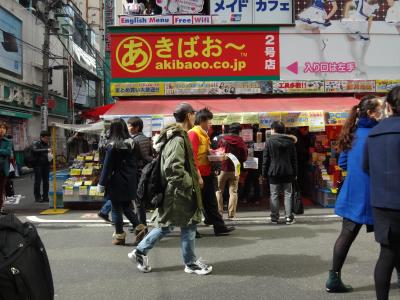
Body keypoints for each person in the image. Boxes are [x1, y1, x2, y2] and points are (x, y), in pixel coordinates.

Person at [128, 102, 212, 275]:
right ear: (189, 115)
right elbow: (173, 170)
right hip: (179, 193)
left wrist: (195, 176)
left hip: (176, 192)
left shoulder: (176, 136)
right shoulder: (178, 139)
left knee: (169, 225)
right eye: (194, 114)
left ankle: (140, 252)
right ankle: (190, 263)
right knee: (186, 225)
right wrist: (192, 182)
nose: (195, 117)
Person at [325, 95, 384, 293]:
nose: (384, 111)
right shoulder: (379, 133)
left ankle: (333, 278)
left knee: (346, 235)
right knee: (392, 238)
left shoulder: (353, 133)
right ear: (371, 112)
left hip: (354, 192)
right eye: (380, 108)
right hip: (378, 193)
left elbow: (342, 164)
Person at [364, 87, 400, 299]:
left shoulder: (374, 133)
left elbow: (365, 165)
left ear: (388, 106)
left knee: (386, 255)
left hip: (382, 204)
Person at [188, 108, 235, 236]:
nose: (211, 124)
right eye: (209, 121)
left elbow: (205, 153)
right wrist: (198, 176)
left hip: (207, 172)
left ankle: (219, 227)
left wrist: (216, 155)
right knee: (195, 203)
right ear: (202, 120)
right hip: (199, 174)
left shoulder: (204, 134)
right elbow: (192, 157)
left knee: (211, 201)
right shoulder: (194, 133)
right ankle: (192, 230)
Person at [98, 119, 141, 245]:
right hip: (130, 179)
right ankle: (139, 227)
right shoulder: (133, 143)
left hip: (116, 181)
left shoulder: (112, 145)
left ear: (113, 129)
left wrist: (101, 183)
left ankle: (120, 236)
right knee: (127, 207)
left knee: (116, 209)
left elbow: (107, 167)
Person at [262, 121, 297, 225]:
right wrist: (295, 173)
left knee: (274, 194)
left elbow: (265, 159)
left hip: (273, 171)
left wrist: (263, 174)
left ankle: (274, 218)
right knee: (288, 194)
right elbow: (294, 159)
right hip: (288, 171)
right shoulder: (290, 142)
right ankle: (288, 217)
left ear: (273, 130)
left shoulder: (269, 141)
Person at [216, 123, 248, 219]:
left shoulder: (223, 139)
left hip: (223, 168)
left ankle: (219, 213)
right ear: (239, 131)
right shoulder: (240, 141)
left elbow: (218, 152)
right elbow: (244, 156)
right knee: (233, 191)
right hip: (235, 168)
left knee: (218, 191)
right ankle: (231, 214)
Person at [340, 0, 379, 78]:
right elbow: (348, 3)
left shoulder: (376, 6)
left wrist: (367, 31)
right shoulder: (360, 1)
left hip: (362, 24)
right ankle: (358, 63)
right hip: (353, 21)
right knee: (352, 43)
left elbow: (370, 20)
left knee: (367, 41)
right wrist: (346, 17)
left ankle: (360, 61)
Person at [127, 117, 153, 226]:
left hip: (137, 172)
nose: (128, 128)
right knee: (140, 199)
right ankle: (139, 224)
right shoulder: (147, 139)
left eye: (130, 126)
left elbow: (135, 158)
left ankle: (141, 225)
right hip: (146, 170)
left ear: (137, 127)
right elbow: (151, 154)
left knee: (138, 200)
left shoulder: (134, 141)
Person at [32, 131, 52, 203]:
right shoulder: (36, 143)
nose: (47, 140)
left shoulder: (47, 144)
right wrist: (46, 150)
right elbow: (34, 150)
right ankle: (37, 197)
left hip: (46, 164)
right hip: (38, 165)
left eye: (48, 138)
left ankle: (45, 196)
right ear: (41, 137)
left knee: (46, 181)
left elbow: (49, 152)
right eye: (46, 138)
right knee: (38, 181)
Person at [0, 121, 12, 214]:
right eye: (0, 128)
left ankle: (1, 207)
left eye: (4, 128)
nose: (2, 130)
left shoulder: (8, 142)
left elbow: (7, 152)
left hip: (2, 169)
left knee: (1, 189)